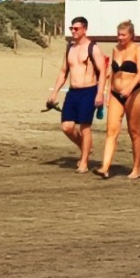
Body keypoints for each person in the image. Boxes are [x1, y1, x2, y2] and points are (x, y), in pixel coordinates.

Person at [48, 16, 106, 175]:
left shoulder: (93, 48)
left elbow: (103, 72)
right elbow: (63, 72)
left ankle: (84, 162)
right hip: (73, 92)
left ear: (84, 29)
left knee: (85, 127)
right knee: (67, 127)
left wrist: (100, 94)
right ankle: (85, 147)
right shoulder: (70, 49)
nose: (73, 31)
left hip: (89, 91)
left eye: (76, 29)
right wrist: (54, 93)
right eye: (71, 29)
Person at [95, 20, 140, 180]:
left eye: (123, 35)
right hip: (116, 94)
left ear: (131, 35)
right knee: (111, 131)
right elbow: (112, 73)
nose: (120, 37)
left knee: (134, 132)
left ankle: (136, 168)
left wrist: (129, 88)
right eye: (118, 34)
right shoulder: (115, 49)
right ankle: (105, 166)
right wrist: (108, 93)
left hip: (134, 94)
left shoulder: (138, 49)